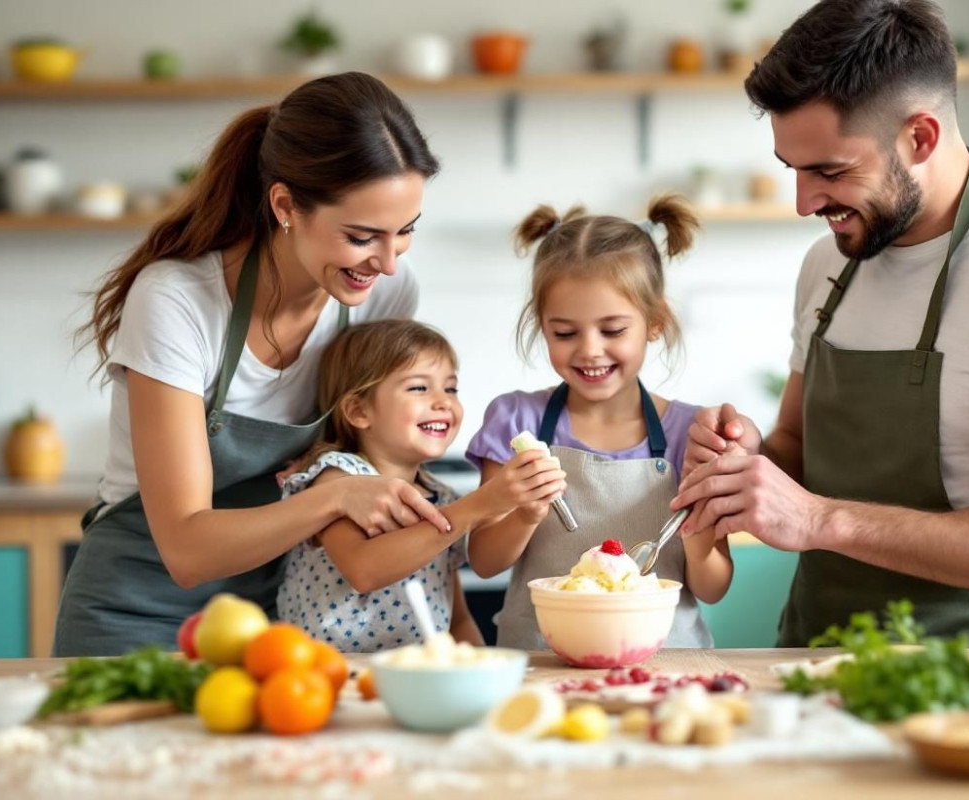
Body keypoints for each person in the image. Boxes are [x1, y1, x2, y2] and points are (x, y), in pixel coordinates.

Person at [672, 0, 969, 647]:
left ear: (919, 137)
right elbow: (798, 447)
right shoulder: (829, 265)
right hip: (814, 658)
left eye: (830, 171)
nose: (805, 201)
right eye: (794, 170)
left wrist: (823, 521)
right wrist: (745, 456)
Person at [56, 73, 452, 656]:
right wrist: (336, 497)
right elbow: (187, 551)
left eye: (405, 232)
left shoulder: (383, 295)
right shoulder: (177, 301)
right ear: (286, 205)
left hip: (276, 620)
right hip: (136, 616)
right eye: (363, 236)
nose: (388, 263)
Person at [465, 195, 733, 650]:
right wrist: (526, 512)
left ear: (654, 321)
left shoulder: (692, 434)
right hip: (541, 661)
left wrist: (698, 533)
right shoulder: (515, 419)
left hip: (666, 663)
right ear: (542, 326)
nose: (589, 350)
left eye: (612, 331)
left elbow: (713, 588)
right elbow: (485, 561)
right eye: (565, 333)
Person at [276, 320, 565, 651]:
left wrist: (480, 668)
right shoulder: (337, 478)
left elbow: (456, 619)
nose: (443, 401)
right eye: (418, 388)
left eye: (451, 388)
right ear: (359, 411)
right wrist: (480, 505)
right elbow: (363, 569)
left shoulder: (442, 498)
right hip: (332, 674)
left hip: (416, 676)